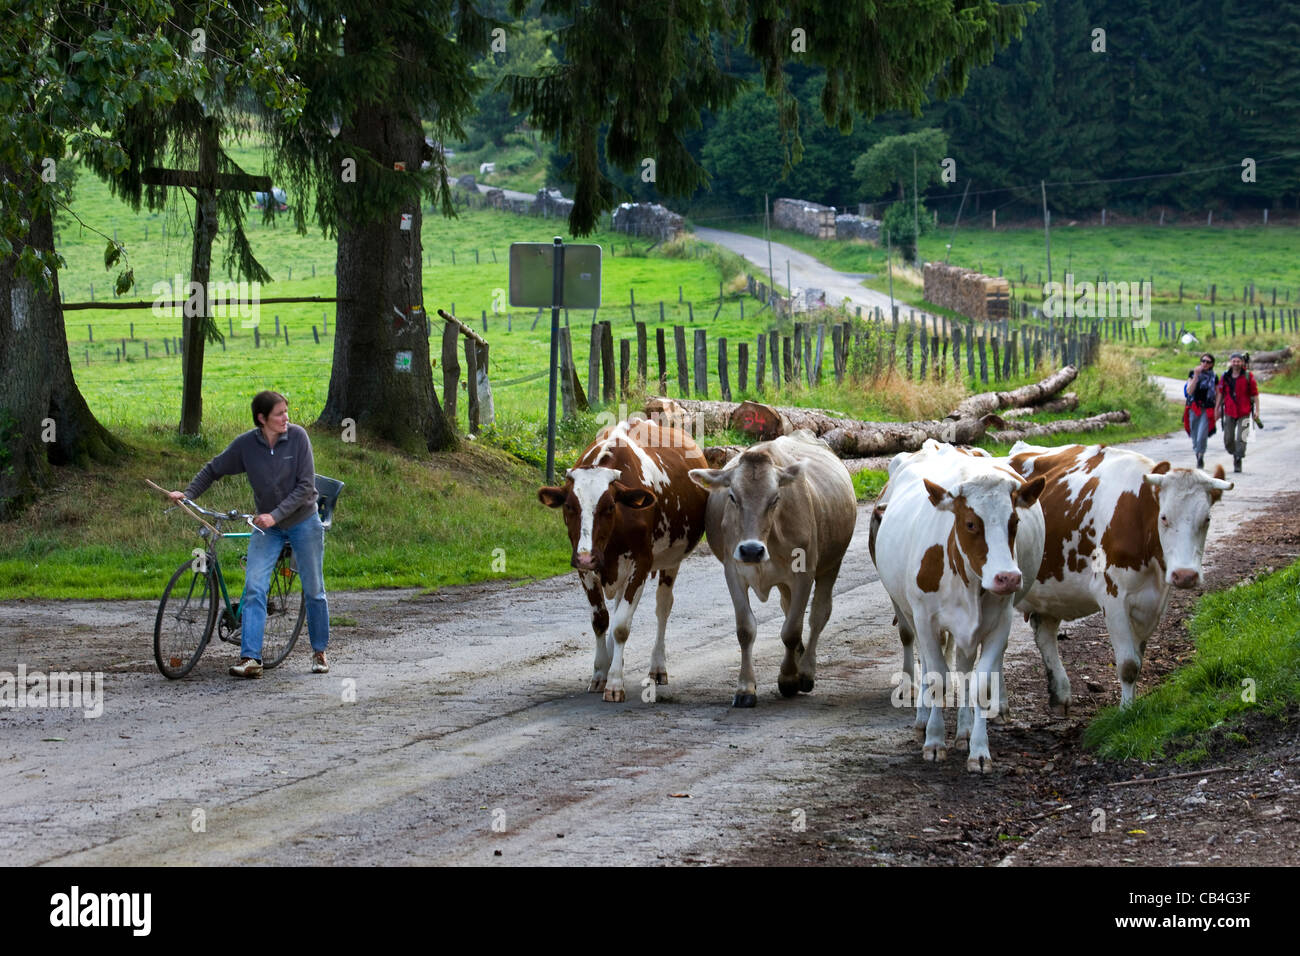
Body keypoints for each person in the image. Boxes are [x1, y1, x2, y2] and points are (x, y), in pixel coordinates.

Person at [169, 391, 330, 677]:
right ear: (262, 418)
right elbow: (213, 469)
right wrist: (188, 493)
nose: (286, 418)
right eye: (280, 413)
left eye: (286, 412)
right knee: (255, 587)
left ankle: (319, 651)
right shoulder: (246, 445)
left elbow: (306, 487)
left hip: (303, 521)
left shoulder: (298, 438)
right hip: (268, 528)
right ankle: (250, 659)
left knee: (314, 590)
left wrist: (275, 515)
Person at [1216, 351, 1261, 473]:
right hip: (1229, 411)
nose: (1236, 363)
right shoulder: (1225, 376)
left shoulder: (1248, 376)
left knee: (1243, 437)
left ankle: (1238, 458)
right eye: (1234, 361)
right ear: (1231, 362)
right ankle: (1235, 452)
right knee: (1228, 439)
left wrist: (1257, 410)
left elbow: (1255, 394)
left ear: (1242, 362)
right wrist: (1217, 409)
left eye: (1238, 361)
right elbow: (1220, 393)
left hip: (1245, 411)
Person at [1182, 352, 1217, 470]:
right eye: (1203, 361)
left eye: (1208, 362)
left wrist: (1217, 410)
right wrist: (1196, 376)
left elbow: (1217, 395)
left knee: (1202, 434)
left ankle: (1201, 455)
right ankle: (1197, 453)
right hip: (1194, 408)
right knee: (1194, 433)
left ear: (1212, 364)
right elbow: (1189, 391)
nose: (1205, 364)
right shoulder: (1192, 374)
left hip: (1207, 409)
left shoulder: (1214, 376)